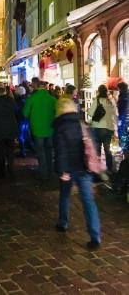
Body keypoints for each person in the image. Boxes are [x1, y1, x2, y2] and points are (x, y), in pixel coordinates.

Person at [54, 98, 101, 251]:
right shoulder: (83, 124)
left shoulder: (60, 127)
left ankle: (63, 223)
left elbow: (60, 152)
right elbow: (92, 147)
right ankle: (95, 237)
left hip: (68, 169)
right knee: (88, 202)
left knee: (65, 196)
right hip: (84, 169)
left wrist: (62, 170)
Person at [23, 79, 56, 180]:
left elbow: (25, 113)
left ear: (37, 87)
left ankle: (44, 173)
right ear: (45, 88)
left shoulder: (32, 98)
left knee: (40, 151)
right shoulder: (52, 99)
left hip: (37, 129)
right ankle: (50, 172)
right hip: (50, 129)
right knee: (49, 151)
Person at [87, 84, 117, 174]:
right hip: (110, 127)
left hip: (98, 127)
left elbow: (90, 113)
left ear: (99, 91)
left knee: (97, 148)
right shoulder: (111, 100)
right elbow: (115, 113)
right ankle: (109, 169)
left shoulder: (97, 100)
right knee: (108, 149)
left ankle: (98, 169)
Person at [0, 87, 19, 178]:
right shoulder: (11, 101)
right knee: (10, 151)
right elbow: (16, 111)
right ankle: (11, 170)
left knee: (0, 151)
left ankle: (1, 171)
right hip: (11, 128)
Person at [117, 82, 129, 154]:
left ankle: (124, 150)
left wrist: (120, 120)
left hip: (124, 118)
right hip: (126, 118)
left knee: (123, 134)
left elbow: (121, 109)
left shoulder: (122, 96)